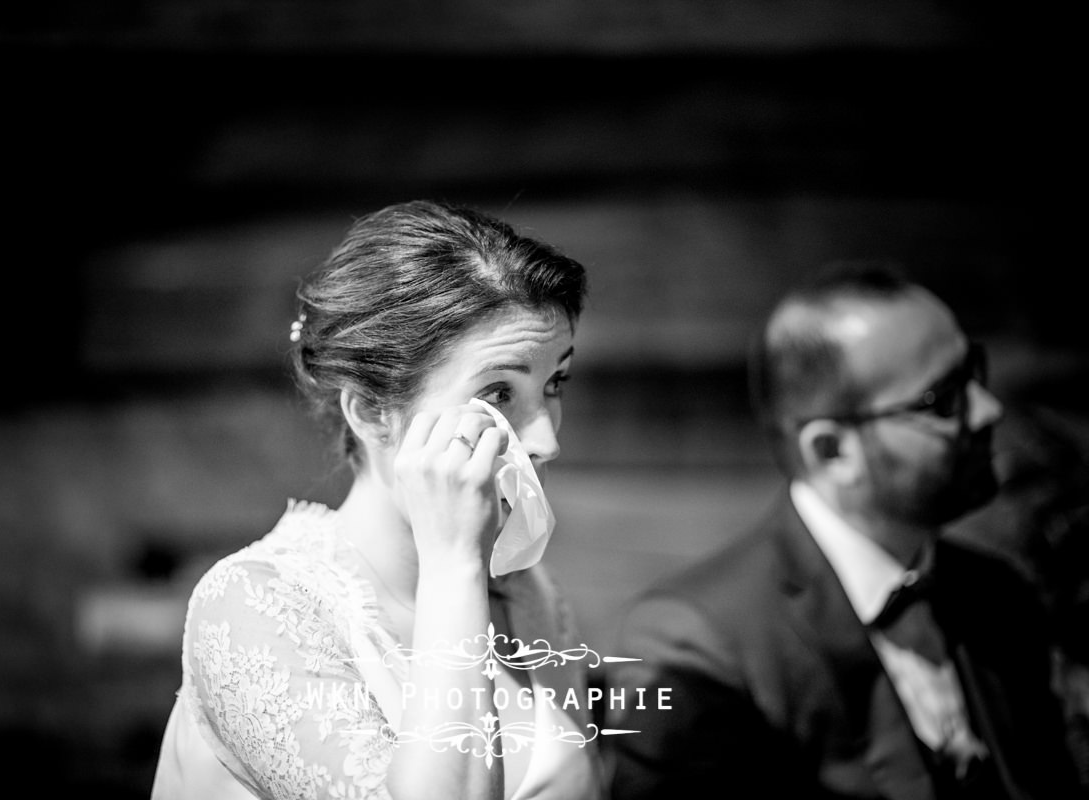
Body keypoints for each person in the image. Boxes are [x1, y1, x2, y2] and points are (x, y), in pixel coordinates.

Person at [150, 200, 602, 800]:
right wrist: (451, 565)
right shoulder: (253, 607)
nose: (546, 440)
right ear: (371, 412)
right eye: (498, 392)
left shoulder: (525, 592)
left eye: (554, 385)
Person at [604, 260, 1084, 799]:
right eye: (943, 400)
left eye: (974, 370)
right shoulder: (697, 642)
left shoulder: (998, 593)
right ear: (832, 452)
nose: (988, 409)